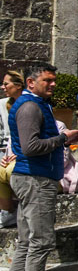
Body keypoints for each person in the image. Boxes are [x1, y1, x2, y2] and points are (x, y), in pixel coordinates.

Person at [6, 63, 78, 271]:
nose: (52, 85)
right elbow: (30, 147)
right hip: (35, 179)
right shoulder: (30, 107)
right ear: (30, 83)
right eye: (47, 81)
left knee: (27, 240)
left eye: (53, 80)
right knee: (40, 241)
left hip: (32, 177)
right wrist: (64, 138)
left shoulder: (34, 104)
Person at [1, 68, 24, 229]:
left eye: (6, 84)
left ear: (18, 85)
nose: (3, 87)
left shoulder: (30, 104)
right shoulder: (3, 104)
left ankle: (8, 212)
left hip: (21, 151)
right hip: (5, 148)